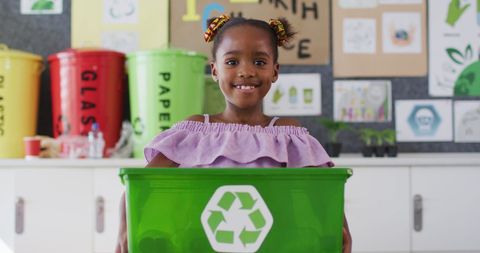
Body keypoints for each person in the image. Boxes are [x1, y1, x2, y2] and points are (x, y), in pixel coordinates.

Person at [116, 15, 352, 253]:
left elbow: (325, 193)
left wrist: (339, 229)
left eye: (259, 62)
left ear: (275, 71)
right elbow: (138, 186)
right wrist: (125, 231)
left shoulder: (288, 136)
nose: (246, 71)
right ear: (215, 70)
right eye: (232, 62)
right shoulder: (192, 134)